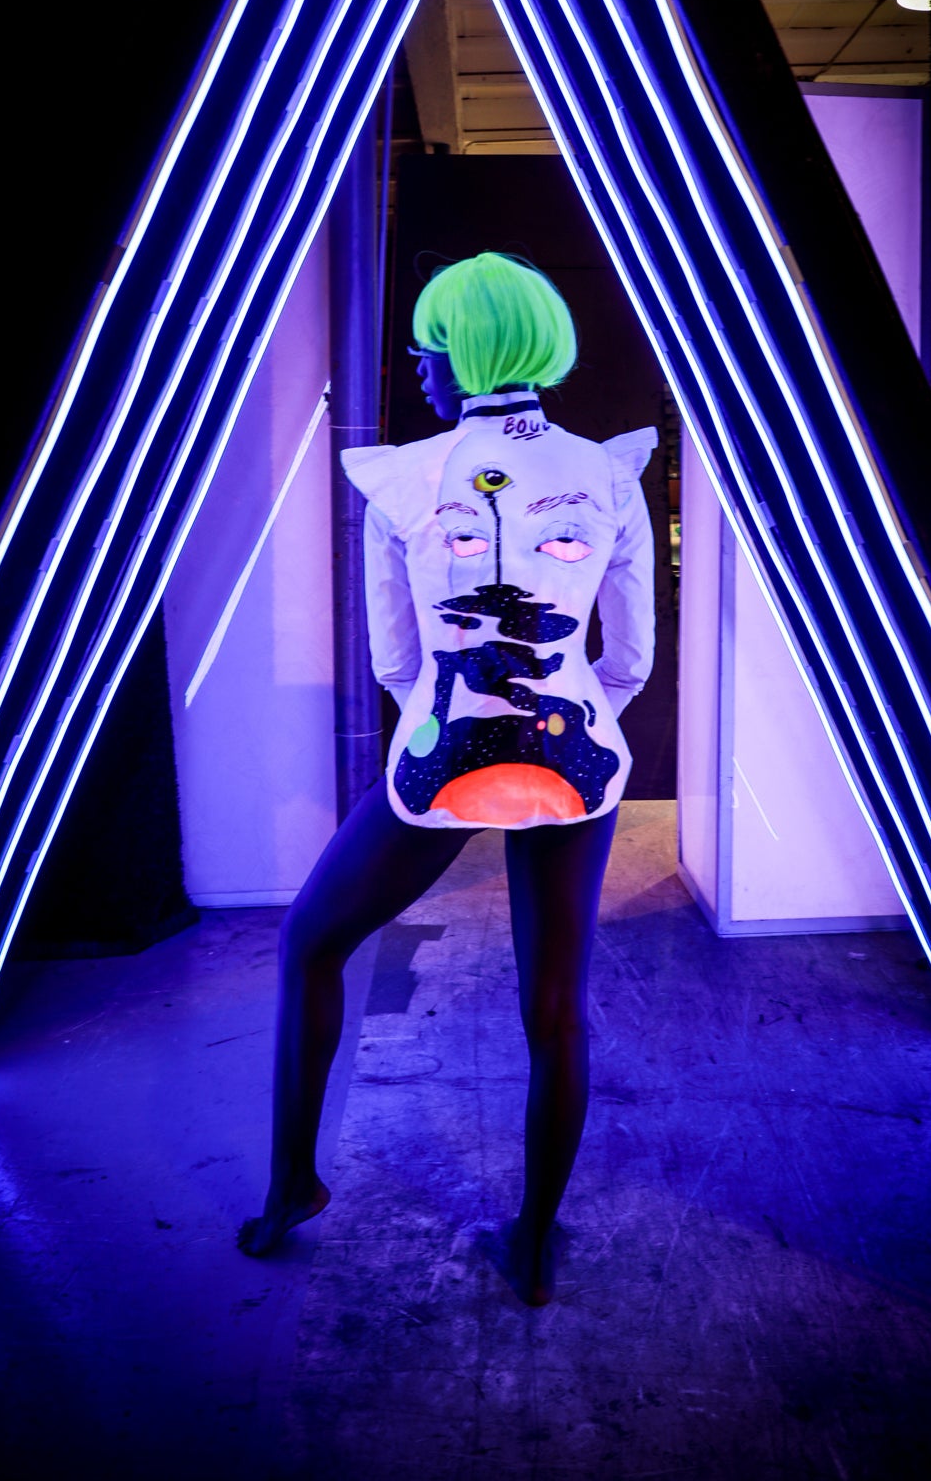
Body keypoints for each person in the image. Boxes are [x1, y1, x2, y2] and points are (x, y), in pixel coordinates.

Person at [238, 252, 656, 1304]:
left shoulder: (401, 477)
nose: (418, 364)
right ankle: (534, 1246)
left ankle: (291, 1188)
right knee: (556, 1008)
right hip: (577, 759)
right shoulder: (610, 472)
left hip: (441, 760)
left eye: (428, 345)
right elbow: (631, 660)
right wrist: (567, 714)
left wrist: (453, 717)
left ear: (463, 352)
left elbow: (394, 661)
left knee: (310, 943)